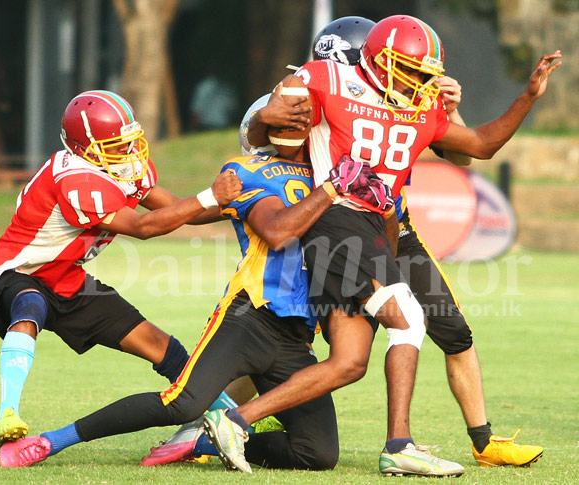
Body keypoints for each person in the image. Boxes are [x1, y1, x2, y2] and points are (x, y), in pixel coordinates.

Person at [204, 14, 560, 477]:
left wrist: (527, 97)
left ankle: (231, 420)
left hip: (379, 227)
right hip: (335, 219)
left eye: (422, 73)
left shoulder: (422, 104)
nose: (416, 80)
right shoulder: (327, 79)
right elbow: (268, 138)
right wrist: (271, 113)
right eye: (407, 68)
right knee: (408, 317)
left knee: (349, 363)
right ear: (373, 59)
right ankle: (399, 445)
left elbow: (479, 144)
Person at [0, 114, 392, 471]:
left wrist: (386, 208)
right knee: (182, 402)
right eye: (287, 125)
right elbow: (275, 231)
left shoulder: (340, 175)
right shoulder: (256, 171)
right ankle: (47, 442)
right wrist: (329, 188)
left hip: (297, 333)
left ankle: (202, 442)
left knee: (318, 454)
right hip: (250, 317)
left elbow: (381, 248)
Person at [0, 90, 242, 452]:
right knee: (31, 307)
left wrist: (242, 205)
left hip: (68, 280)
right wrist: (210, 196)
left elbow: (182, 210)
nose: (129, 153)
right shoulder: (75, 178)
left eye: (129, 142)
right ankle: (7, 415)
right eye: (117, 145)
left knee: (162, 347)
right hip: (16, 272)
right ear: (84, 148)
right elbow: (144, 227)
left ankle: (239, 417)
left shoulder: (120, 167)